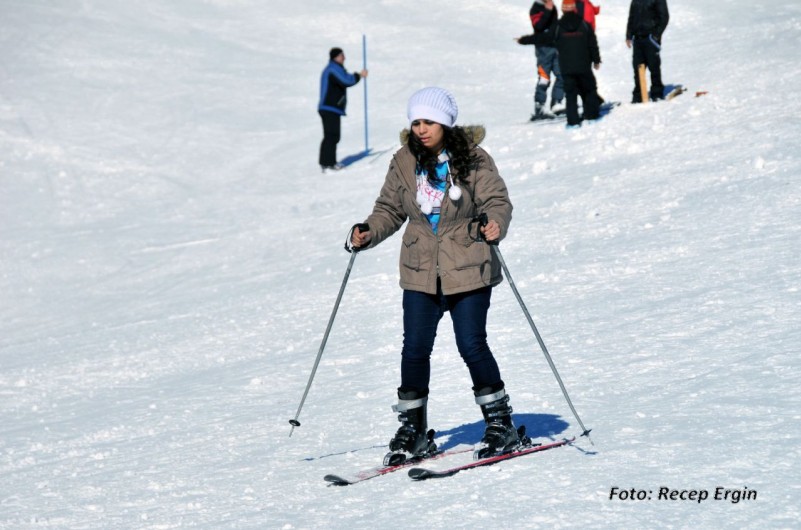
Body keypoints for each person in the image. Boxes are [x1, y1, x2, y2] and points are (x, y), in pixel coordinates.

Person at [348, 87, 520, 464]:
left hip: (468, 264)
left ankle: (500, 424)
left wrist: (495, 223)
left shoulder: (473, 158)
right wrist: (368, 231)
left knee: (471, 344)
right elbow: (389, 209)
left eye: (429, 122)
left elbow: (497, 201)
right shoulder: (404, 161)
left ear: (445, 123)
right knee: (414, 349)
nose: (421, 129)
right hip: (420, 269)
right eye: (416, 122)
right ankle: (413, 431)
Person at [318, 47, 368, 172]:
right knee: (332, 135)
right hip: (329, 107)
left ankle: (326, 163)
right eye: (342, 55)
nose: (344, 58)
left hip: (331, 108)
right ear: (335, 57)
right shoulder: (333, 69)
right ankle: (329, 163)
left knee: (331, 135)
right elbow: (346, 80)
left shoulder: (334, 68)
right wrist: (359, 75)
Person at [554, 0, 601, 127]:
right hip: (584, 65)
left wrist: (525, 40)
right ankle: (591, 116)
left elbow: (546, 40)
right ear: (574, 9)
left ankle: (573, 121)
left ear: (562, 9)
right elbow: (593, 44)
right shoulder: (585, 25)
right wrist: (596, 60)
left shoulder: (557, 27)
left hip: (566, 68)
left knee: (571, 94)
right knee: (589, 89)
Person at [516, 0, 565, 120]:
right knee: (544, 78)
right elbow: (538, 26)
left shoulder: (552, 6)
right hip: (543, 49)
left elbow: (554, 28)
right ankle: (539, 106)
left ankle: (557, 103)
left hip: (556, 47)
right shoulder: (536, 8)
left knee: (562, 74)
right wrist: (548, 10)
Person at [626, 0, 669, 103]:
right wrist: (628, 35)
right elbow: (631, 17)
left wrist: (655, 35)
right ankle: (639, 95)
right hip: (637, 38)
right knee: (638, 67)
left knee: (654, 67)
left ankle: (657, 93)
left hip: (650, 38)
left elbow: (664, 17)